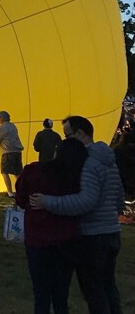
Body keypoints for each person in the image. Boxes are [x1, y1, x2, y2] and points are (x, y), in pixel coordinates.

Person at [31, 116, 125, 313]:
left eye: (68, 136)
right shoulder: (108, 161)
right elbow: (118, 199)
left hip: (93, 236)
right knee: (108, 286)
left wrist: (48, 202)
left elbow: (85, 201)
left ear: (80, 134)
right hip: (112, 232)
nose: (66, 141)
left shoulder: (88, 163)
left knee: (93, 290)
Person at [16, 138, 87, 314]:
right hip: (67, 239)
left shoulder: (34, 171)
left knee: (41, 294)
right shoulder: (78, 178)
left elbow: (21, 199)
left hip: (38, 239)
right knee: (61, 294)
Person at [0, 110, 24, 198]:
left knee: (5, 172)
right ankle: (21, 191)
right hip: (17, 152)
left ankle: (10, 192)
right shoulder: (13, 126)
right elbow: (6, 131)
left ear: (2, 118)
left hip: (8, 152)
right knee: (18, 173)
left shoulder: (2, 128)